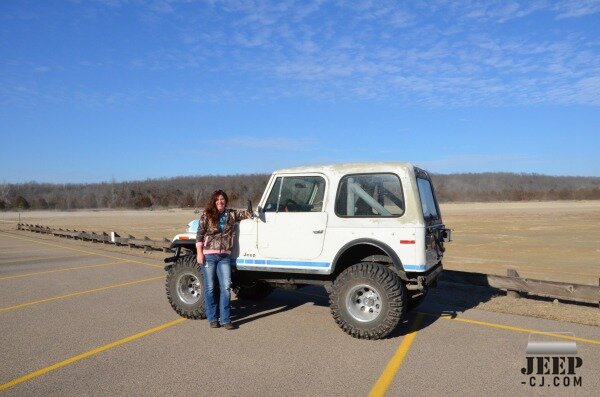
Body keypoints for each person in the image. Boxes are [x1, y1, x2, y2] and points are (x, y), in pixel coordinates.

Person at [196, 190, 252, 330]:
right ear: (213, 202)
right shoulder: (206, 215)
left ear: (225, 201)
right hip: (209, 255)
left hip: (224, 257)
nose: (220, 202)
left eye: (222, 199)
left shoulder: (231, 214)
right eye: (217, 200)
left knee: (226, 288)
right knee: (210, 288)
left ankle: (226, 319)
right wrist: (199, 253)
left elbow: (247, 214)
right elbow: (199, 235)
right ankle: (213, 318)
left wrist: (251, 211)